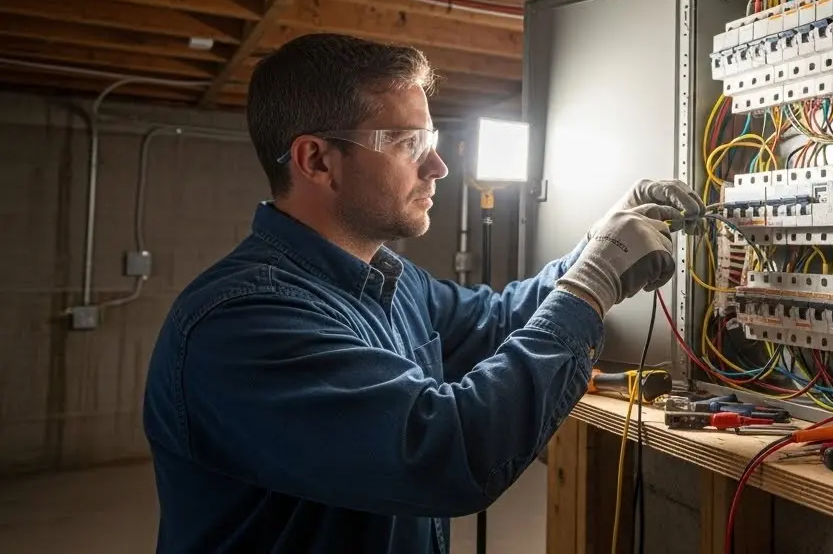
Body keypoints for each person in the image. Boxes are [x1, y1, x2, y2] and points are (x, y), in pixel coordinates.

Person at [143, 33, 701, 553]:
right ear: (317, 160)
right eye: (407, 143)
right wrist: (592, 284)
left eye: (429, 140)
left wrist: (598, 243)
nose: (438, 165)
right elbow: (446, 454)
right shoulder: (242, 323)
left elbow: (496, 321)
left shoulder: (388, 278)